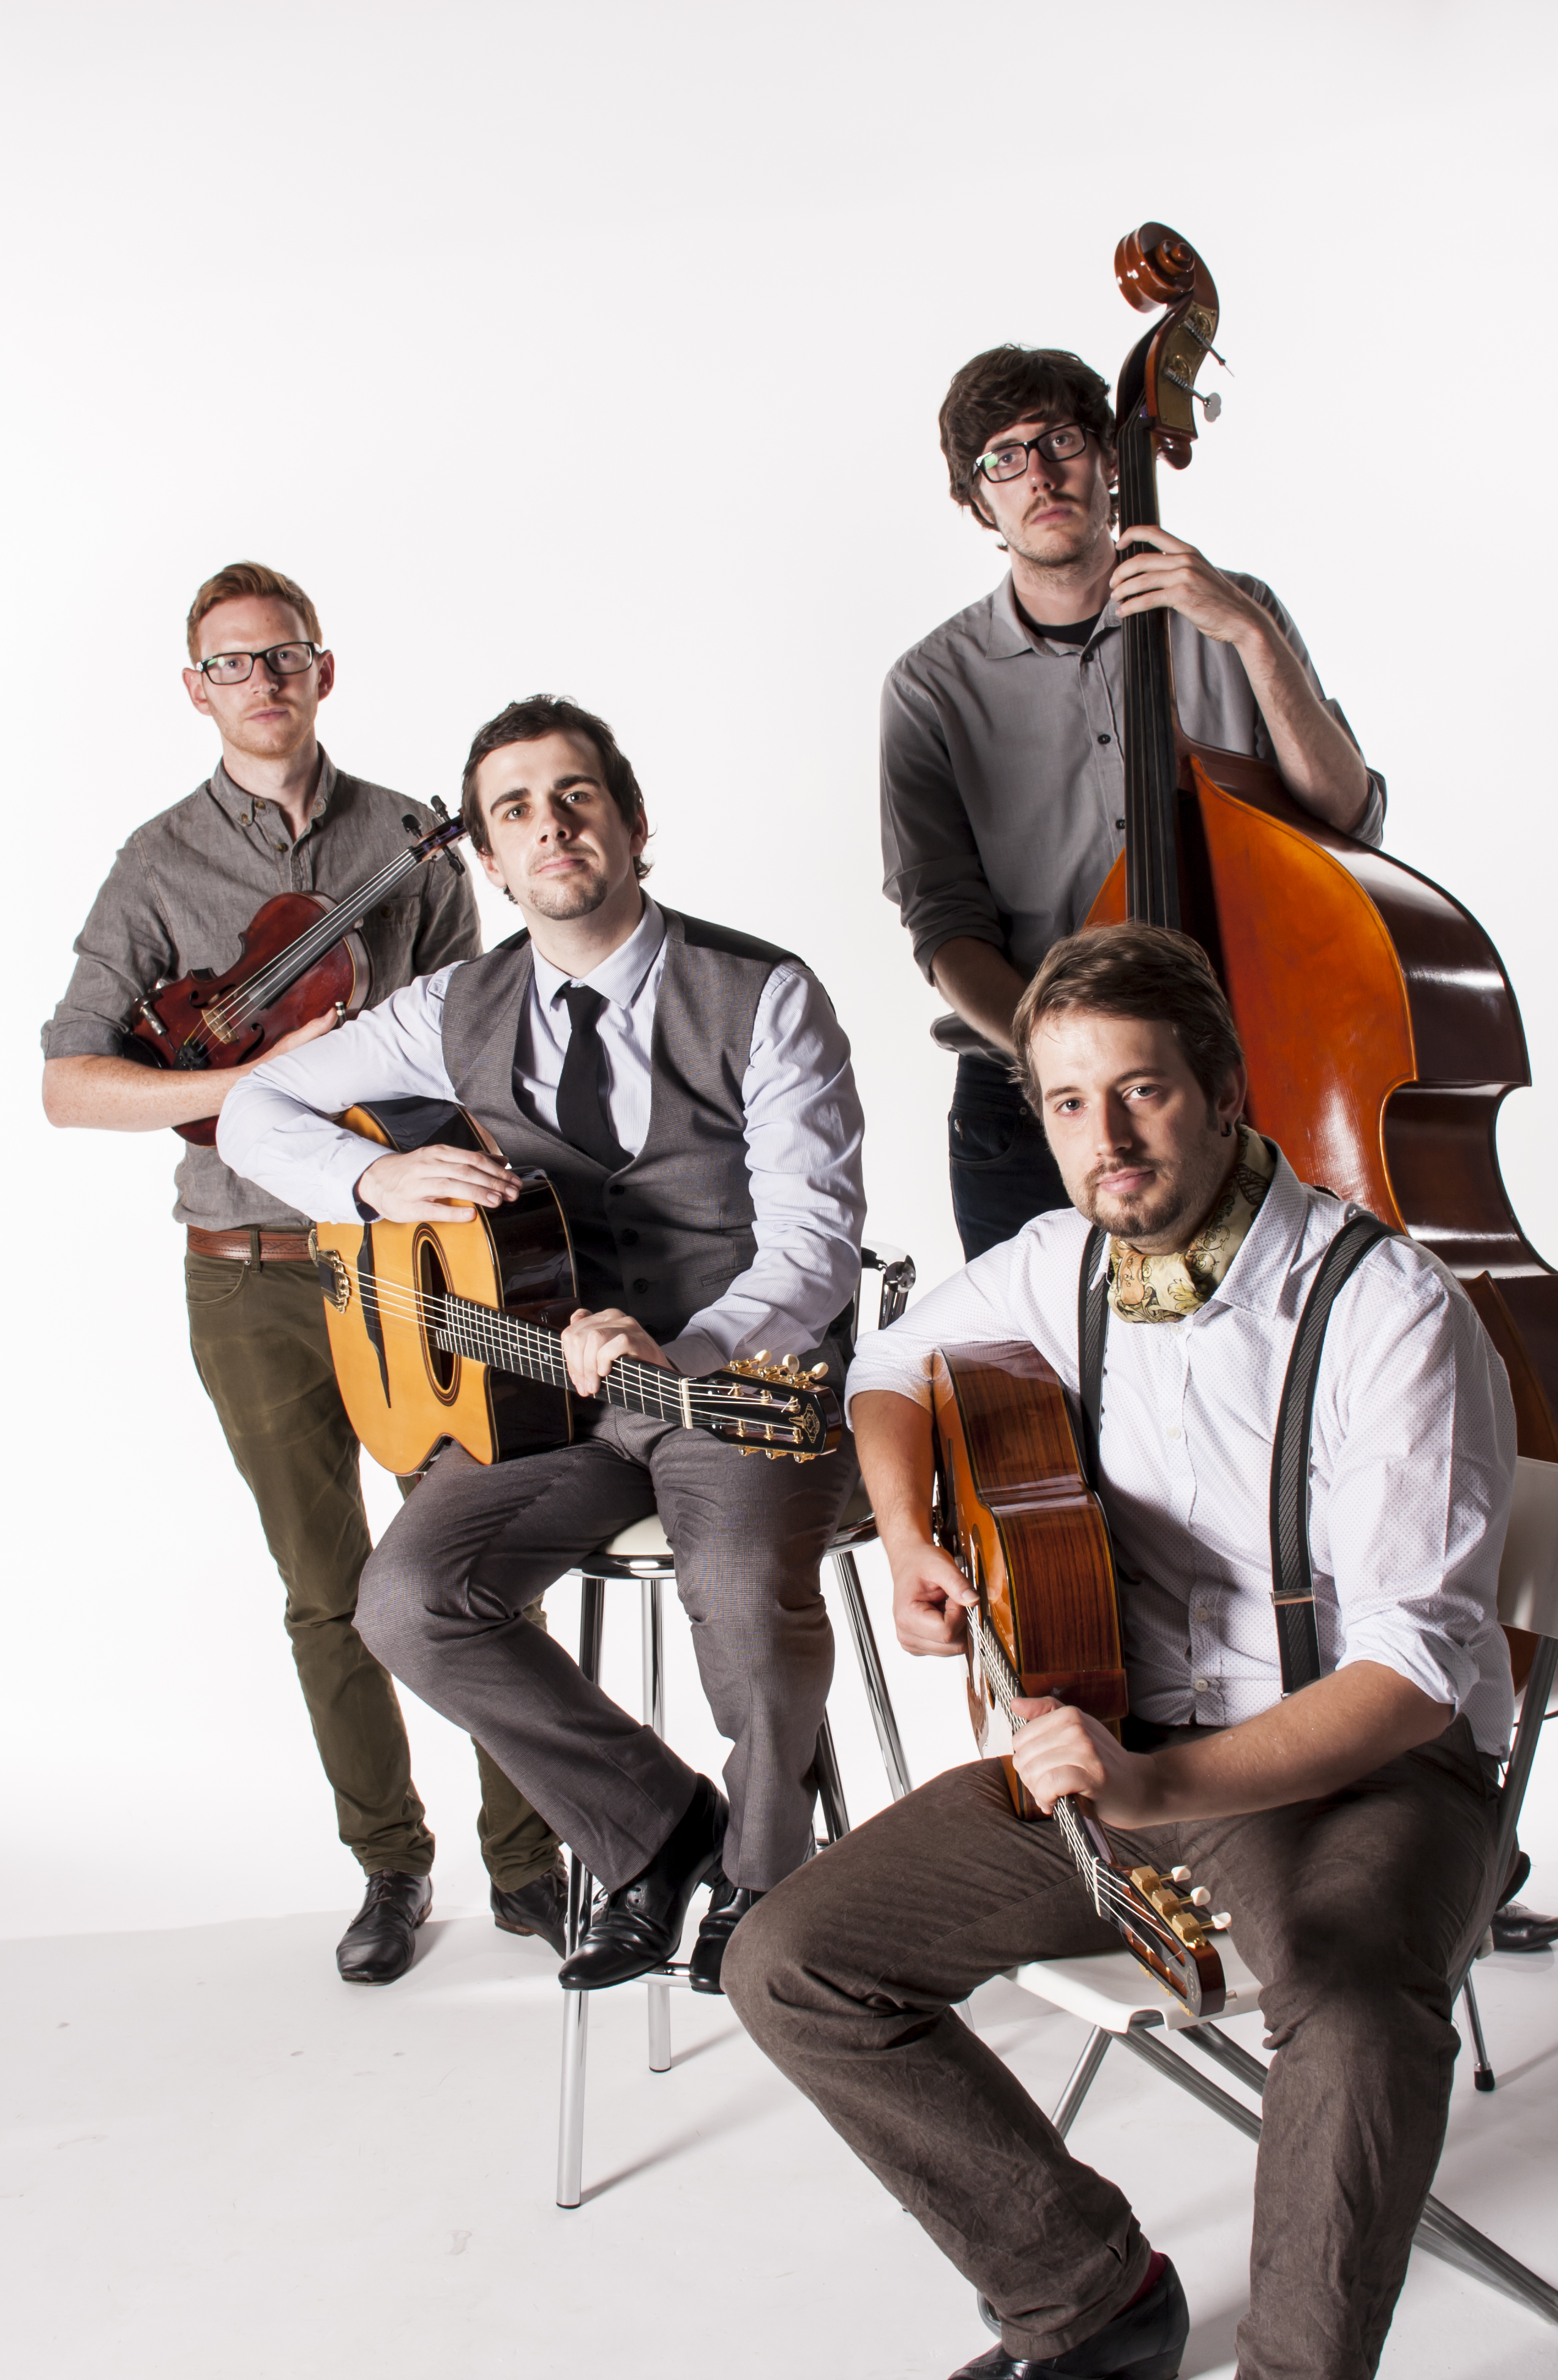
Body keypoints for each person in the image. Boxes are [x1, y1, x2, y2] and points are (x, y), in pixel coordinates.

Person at [726, 921, 1516, 2380]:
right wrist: (906, 1537)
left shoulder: (1389, 1311)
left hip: (1361, 1773)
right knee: (789, 1961)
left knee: (1348, 2009)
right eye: (1071, 1104)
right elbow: (891, 1365)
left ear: (1225, 1091)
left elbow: (1411, 1677)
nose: (1109, 1141)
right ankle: (1089, 2301)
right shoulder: (1057, 1264)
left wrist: (1160, 1791)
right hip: (1118, 1740)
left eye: (1143, 1091)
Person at [217, 694, 866, 1994]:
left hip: (734, 1382)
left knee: (739, 1582)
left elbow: (816, 1243)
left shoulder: (765, 992)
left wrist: (688, 1348)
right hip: (543, 1397)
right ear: (490, 861)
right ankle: (657, 1834)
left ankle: (763, 1876)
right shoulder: (452, 1005)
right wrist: (370, 1183)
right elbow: (253, 1105)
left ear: (634, 825)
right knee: (407, 1601)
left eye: (576, 797)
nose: (550, 825)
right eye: (515, 810)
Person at [41, 561, 565, 1987]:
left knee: (476, 1561)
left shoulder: (409, 838)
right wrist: (251, 1082)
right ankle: (391, 1865)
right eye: (232, 662)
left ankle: (532, 1862)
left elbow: (472, 1046)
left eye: (285, 656)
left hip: (409, 1257)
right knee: (325, 1588)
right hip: (250, 1270)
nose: (262, 681)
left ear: (323, 671)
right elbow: (70, 1085)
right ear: (195, 688)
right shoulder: (156, 865)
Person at [880, 344, 1387, 1259]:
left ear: (1112, 457)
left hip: (1256, 1055)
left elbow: (1348, 822)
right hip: (1032, 1095)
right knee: (1044, 1354)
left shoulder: (1236, 612)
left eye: (1061, 440)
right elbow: (946, 927)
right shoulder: (930, 688)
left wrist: (1248, 632)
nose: (1040, 475)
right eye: (1004, 458)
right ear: (977, 500)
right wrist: (1070, 1063)